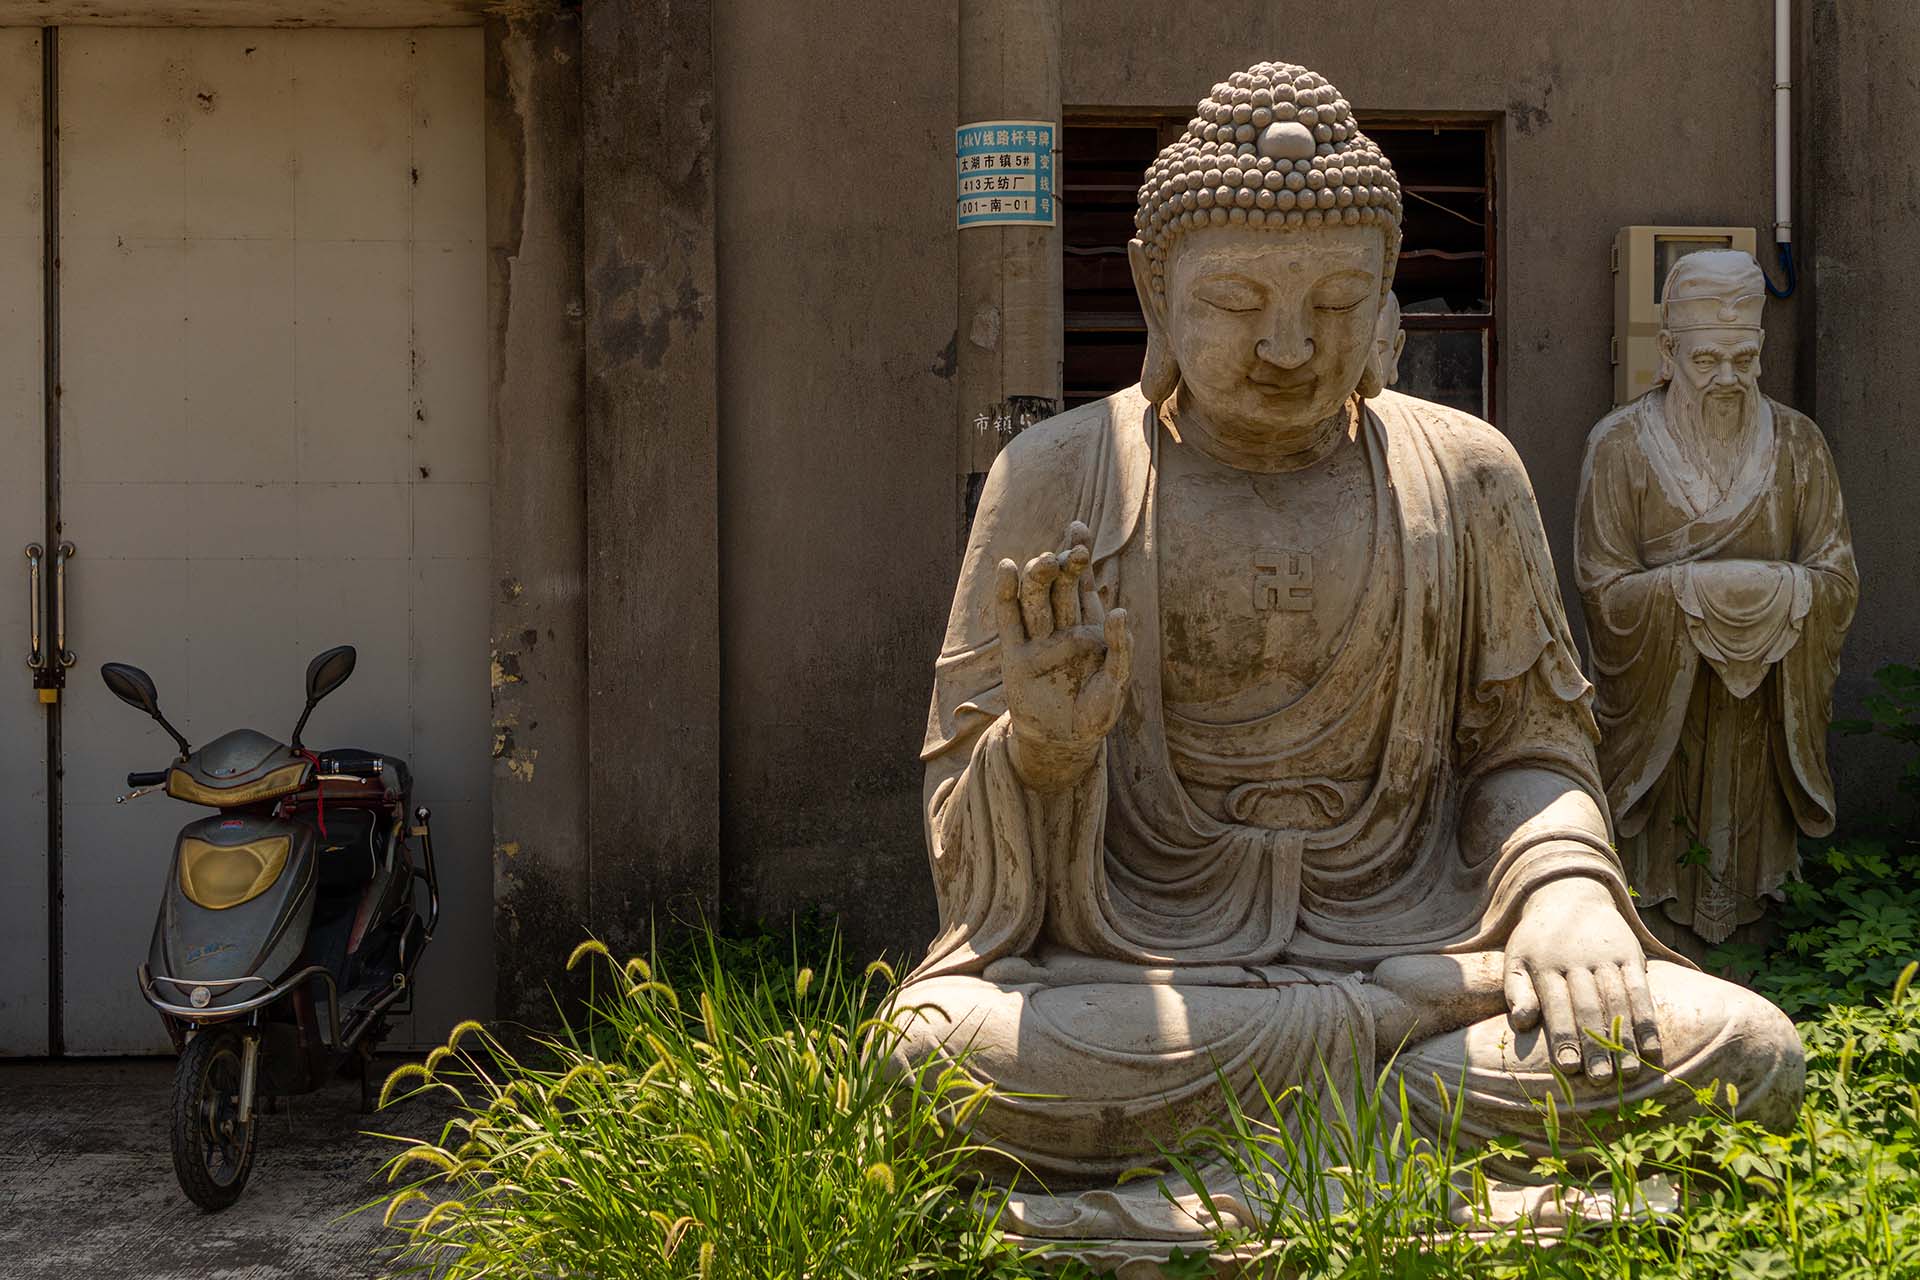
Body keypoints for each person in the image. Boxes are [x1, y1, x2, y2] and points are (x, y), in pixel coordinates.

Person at [1576, 250, 1857, 947]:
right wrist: (1695, 594)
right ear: (1668, 352)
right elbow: (1601, 586)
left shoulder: (1798, 443)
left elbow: (1837, 576)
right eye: (1707, 361)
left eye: (1742, 358)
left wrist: (1780, 594)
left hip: (1762, 705)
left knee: (1756, 856)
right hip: (1662, 706)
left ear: (1760, 350)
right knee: (1657, 862)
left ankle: (1765, 959)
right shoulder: (1618, 446)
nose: (1727, 377)